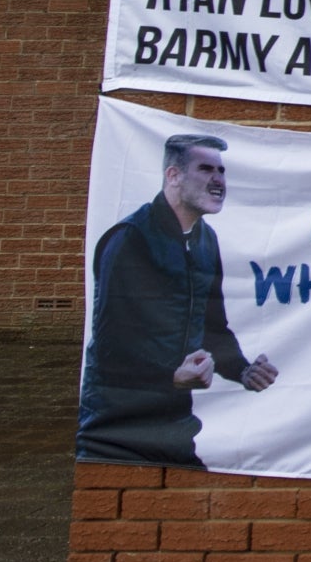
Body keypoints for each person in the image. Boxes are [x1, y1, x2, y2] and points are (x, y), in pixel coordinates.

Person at [77, 133, 279, 468]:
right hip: (116, 418)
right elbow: (112, 344)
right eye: (205, 169)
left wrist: (242, 370)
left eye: (222, 171)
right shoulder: (130, 239)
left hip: (175, 419)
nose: (218, 180)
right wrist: (170, 378)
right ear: (173, 176)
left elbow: (212, 326)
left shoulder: (205, 240)